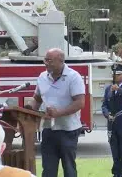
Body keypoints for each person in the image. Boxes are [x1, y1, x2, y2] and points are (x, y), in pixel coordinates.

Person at [29, 48, 85, 177]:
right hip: (48, 130)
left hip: (68, 130)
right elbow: (37, 99)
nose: (46, 63)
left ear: (61, 61)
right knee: (48, 170)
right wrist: (30, 112)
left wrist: (58, 113)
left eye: (50, 60)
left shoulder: (73, 77)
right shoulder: (42, 77)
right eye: (45, 60)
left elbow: (80, 102)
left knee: (69, 168)